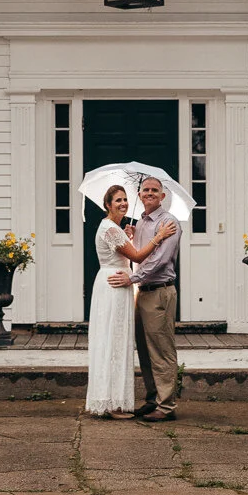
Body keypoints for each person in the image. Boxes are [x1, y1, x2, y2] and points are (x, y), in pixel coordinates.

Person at [84, 184, 176, 419]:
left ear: (162, 196)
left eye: (125, 199)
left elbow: (131, 255)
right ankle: (112, 403)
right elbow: (135, 256)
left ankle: (129, 401)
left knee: (119, 341)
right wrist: (158, 237)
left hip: (124, 284)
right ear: (107, 205)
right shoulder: (110, 228)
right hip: (116, 285)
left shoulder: (119, 229)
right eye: (118, 200)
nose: (123, 203)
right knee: (113, 341)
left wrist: (130, 238)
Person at [124, 175, 182, 421]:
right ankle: (153, 399)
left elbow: (160, 260)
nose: (149, 193)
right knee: (145, 350)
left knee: (161, 350)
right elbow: (140, 254)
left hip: (159, 291)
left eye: (154, 190)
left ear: (162, 196)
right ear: (139, 195)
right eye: (145, 190)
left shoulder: (169, 222)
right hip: (143, 293)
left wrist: (132, 278)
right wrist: (131, 236)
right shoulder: (140, 222)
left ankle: (166, 406)